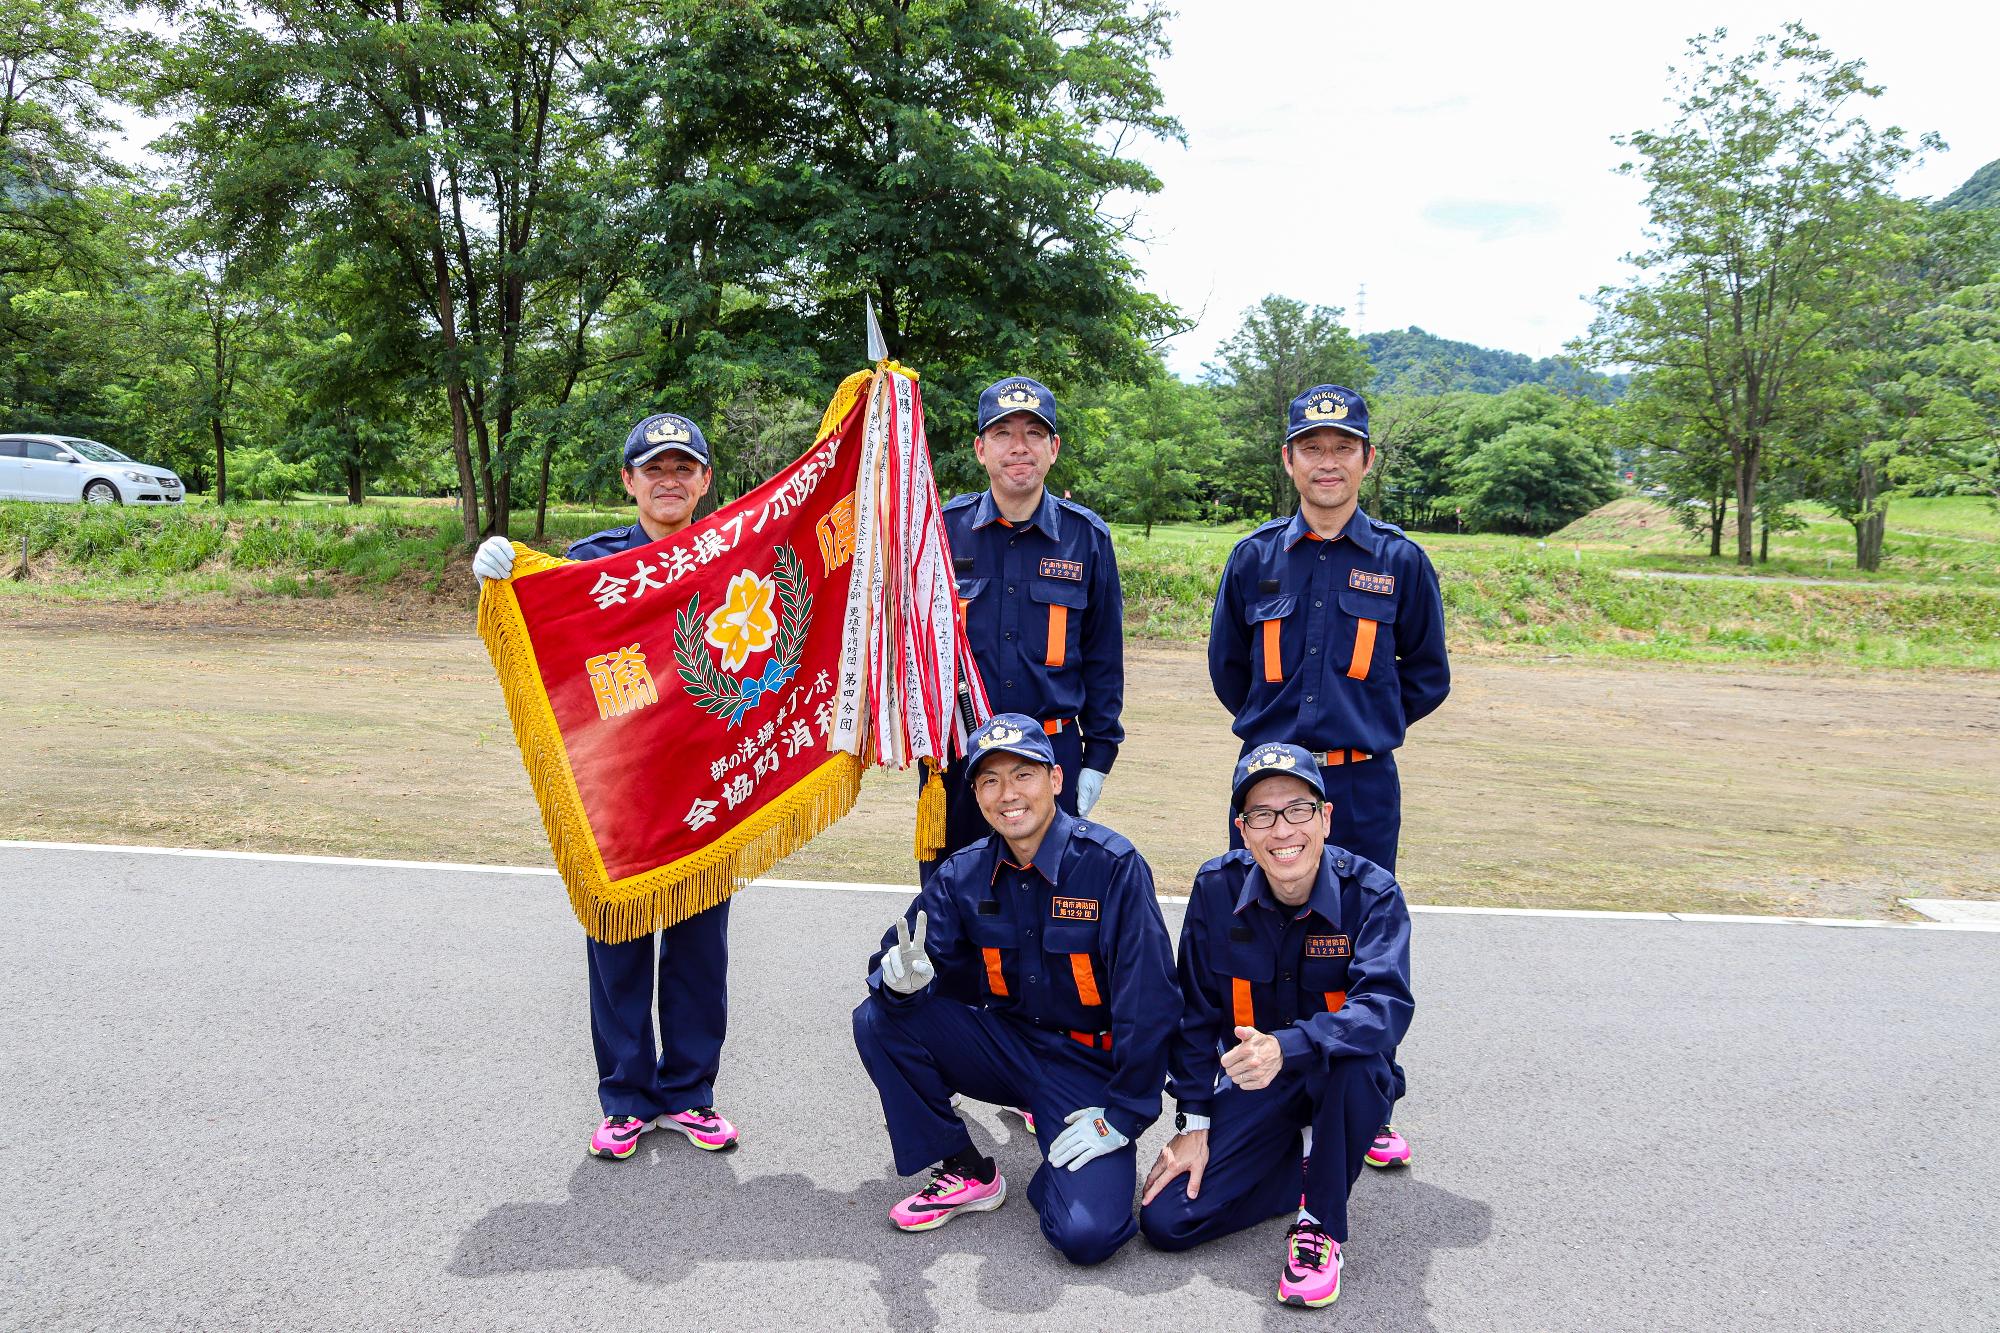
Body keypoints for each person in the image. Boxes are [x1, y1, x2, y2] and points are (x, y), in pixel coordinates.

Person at [472, 412, 741, 1161]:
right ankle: (625, 1096)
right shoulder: (593, 563)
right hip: (622, 792)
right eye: (654, 469)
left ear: (705, 481)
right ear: (629, 481)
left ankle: (690, 1093)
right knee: (617, 943)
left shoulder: (729, 556)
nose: (670, 481)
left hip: (706, 786)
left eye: (684, 468)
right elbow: (546, 627)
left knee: (699, 949)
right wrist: (501, 580)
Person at [1205, 383, 1448, 1169]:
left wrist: (1367, 723)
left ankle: (1368, 1101)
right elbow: (1228, 670)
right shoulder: (1253, 558)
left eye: (1344, 447)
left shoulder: (1401, 562)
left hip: (1360, 786)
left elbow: (1427, 675)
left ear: (1367, 460)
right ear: (1289, 460)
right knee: (1251, 935)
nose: (1328, 462)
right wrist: (1279, 742)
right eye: (1312, 447)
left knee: (1360, 943)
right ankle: (1251, 1079)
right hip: (1269, 785)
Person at [853, 712, 1176, 1265]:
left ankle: (1061, 1164)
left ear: (1055, 779)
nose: (1008, 794)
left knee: (1087, 1236)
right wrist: (899, 981)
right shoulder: (962, 874)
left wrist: (1122, 1117)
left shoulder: (1111, 866)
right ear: (975, 795)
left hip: (1086, 1065)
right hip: (1005, 1047)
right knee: (878, 1018)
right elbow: (906, 956)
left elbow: (1150, 1001)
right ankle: (964, 1169)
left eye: (1022, 775)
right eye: (989, 780)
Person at [1138, 742, 1412, 1308]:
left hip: (1342, 1078)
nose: (1282, 829)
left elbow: (1384, 1009)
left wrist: (1290, 1046)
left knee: (1357, 1061)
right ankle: (1300, 1164)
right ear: (1243, 829)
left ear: (1326, 818)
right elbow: (1193, 1013)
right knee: (1166, 1222)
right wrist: (1193, 1121)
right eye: (1262, 815)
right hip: (1257, 1082)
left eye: (1297, 810)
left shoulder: (1373, 893)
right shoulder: (1216, 888)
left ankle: (1319, 1223)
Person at [928, 377, 1124, 883]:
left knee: (1053, 912)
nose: (1019, 447)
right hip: (961, 756)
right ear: (980, 448)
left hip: (1054, 757)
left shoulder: (1087, 539)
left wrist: (1097, 758)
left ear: (1053, 449)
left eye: (1035, 434)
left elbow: (1104, 658)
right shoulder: (939, 532)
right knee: (955, 908)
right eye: (1003, 433)